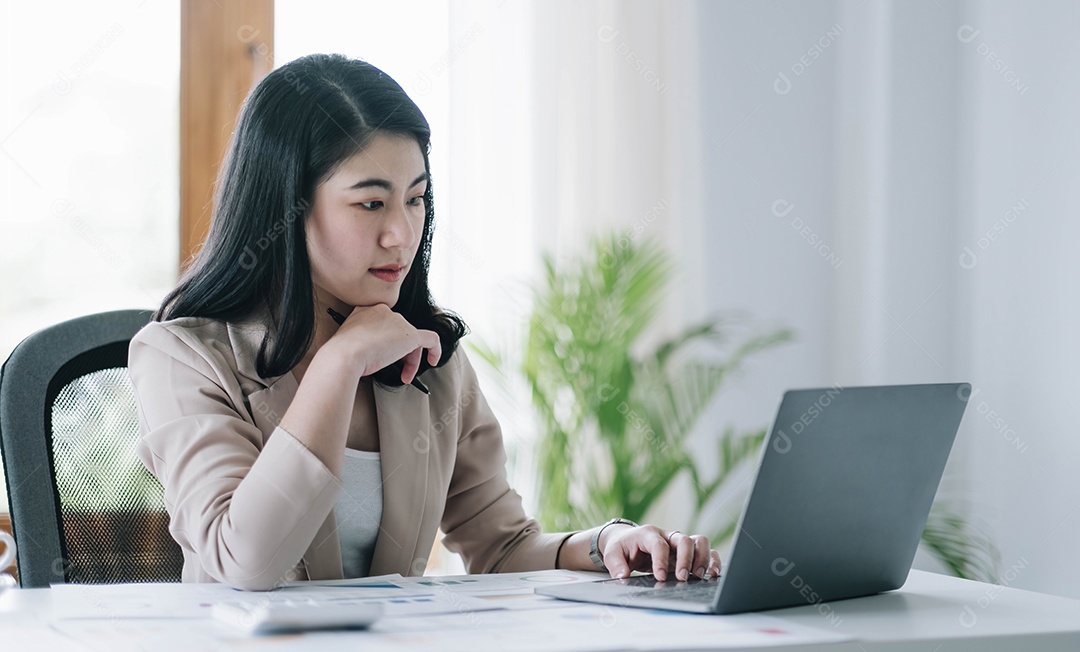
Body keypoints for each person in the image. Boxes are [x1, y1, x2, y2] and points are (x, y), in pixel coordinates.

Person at [130, 53, 722, 590]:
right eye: (371, 203)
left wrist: (607, 544)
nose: (401, 233)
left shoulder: (428, 355)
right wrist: (338, 363)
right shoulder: (181, 357)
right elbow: (245, 563)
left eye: (415, 199)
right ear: (287, 206)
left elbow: (501, 545)